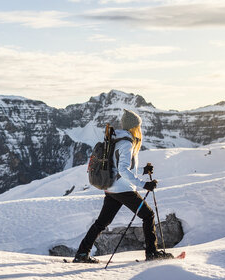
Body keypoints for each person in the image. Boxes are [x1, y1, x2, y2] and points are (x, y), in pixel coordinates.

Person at [73, 109, 173, 263]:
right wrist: (144, 184)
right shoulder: (126, 143)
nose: (140, 129)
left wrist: (142, 171)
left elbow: (119, 168)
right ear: (134, 127)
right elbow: (123, 170)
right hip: (123, 190)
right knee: (148, 215)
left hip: (112, 188)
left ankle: (81, 254)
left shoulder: (117, 139)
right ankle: (152, 253)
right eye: (138, 126)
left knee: (101, 223)